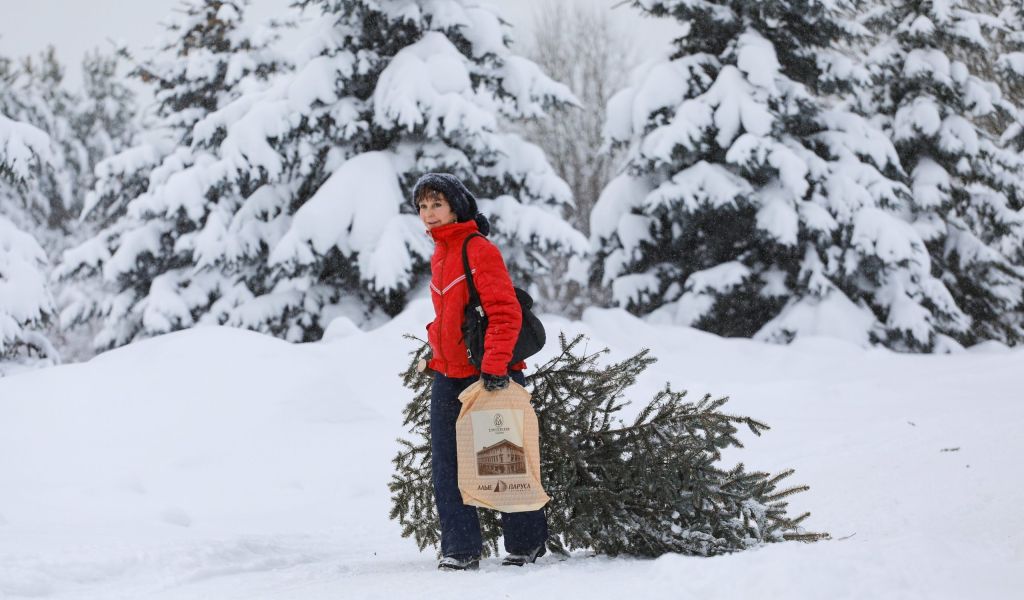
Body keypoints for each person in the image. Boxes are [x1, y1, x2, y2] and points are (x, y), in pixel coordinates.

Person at [413, 173, 549, 571]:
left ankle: (525, 544)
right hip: (449, 373)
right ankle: (460, 548)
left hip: (489, 370)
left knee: (503, 459)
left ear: (456, 206)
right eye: (422, 206)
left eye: (436, 204)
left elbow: (504, 312)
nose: (428, 214)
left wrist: (494, 368)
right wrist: (435, 354)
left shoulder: (477, 248)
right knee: (446, 465)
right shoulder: (440, 252)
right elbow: (451, 316)